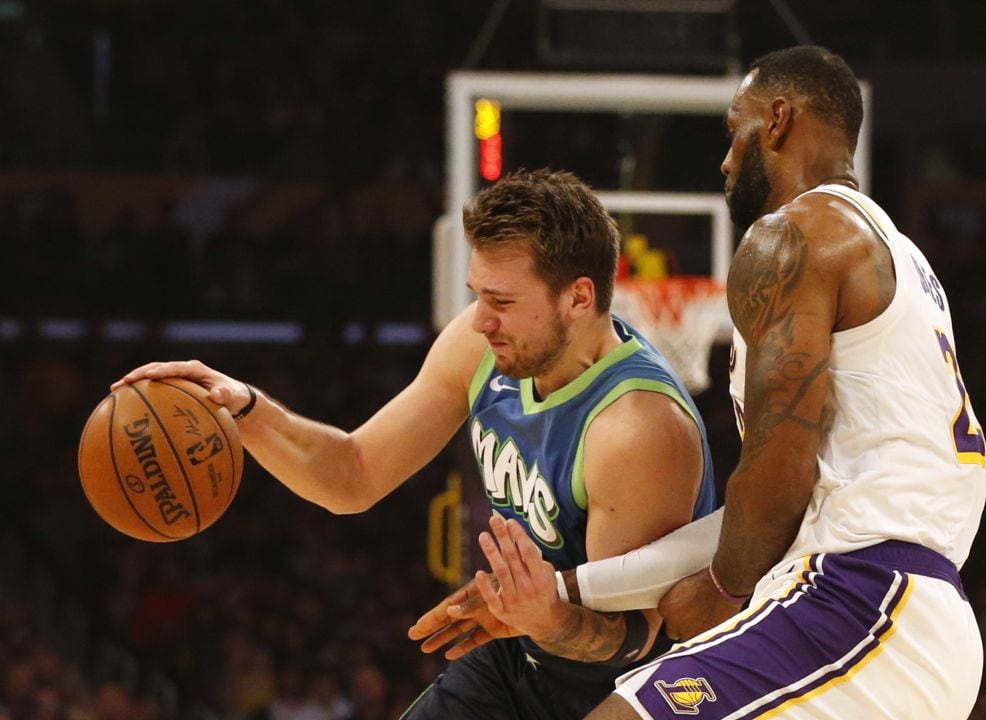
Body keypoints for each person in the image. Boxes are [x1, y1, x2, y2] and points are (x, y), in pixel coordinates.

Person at [432, 46, 986, 719]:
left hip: (856, 599)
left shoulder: (794, 235)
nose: (726, 162)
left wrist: (723, 591)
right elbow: (759, 511)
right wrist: (562, 589)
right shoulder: (901, 259)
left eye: (734, 131)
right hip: (909, 617)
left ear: (778, 121)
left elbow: (776, 480)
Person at [112, 168, 718, 720]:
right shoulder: (482, 346)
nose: (480, 319)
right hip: (521, 645)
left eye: (502, 302)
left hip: (632, 686)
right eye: (478, 293)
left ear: (579, 298)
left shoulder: (637, 432)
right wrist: (245, 410)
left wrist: (547, 616)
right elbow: (353, 474)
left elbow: (635, 634)